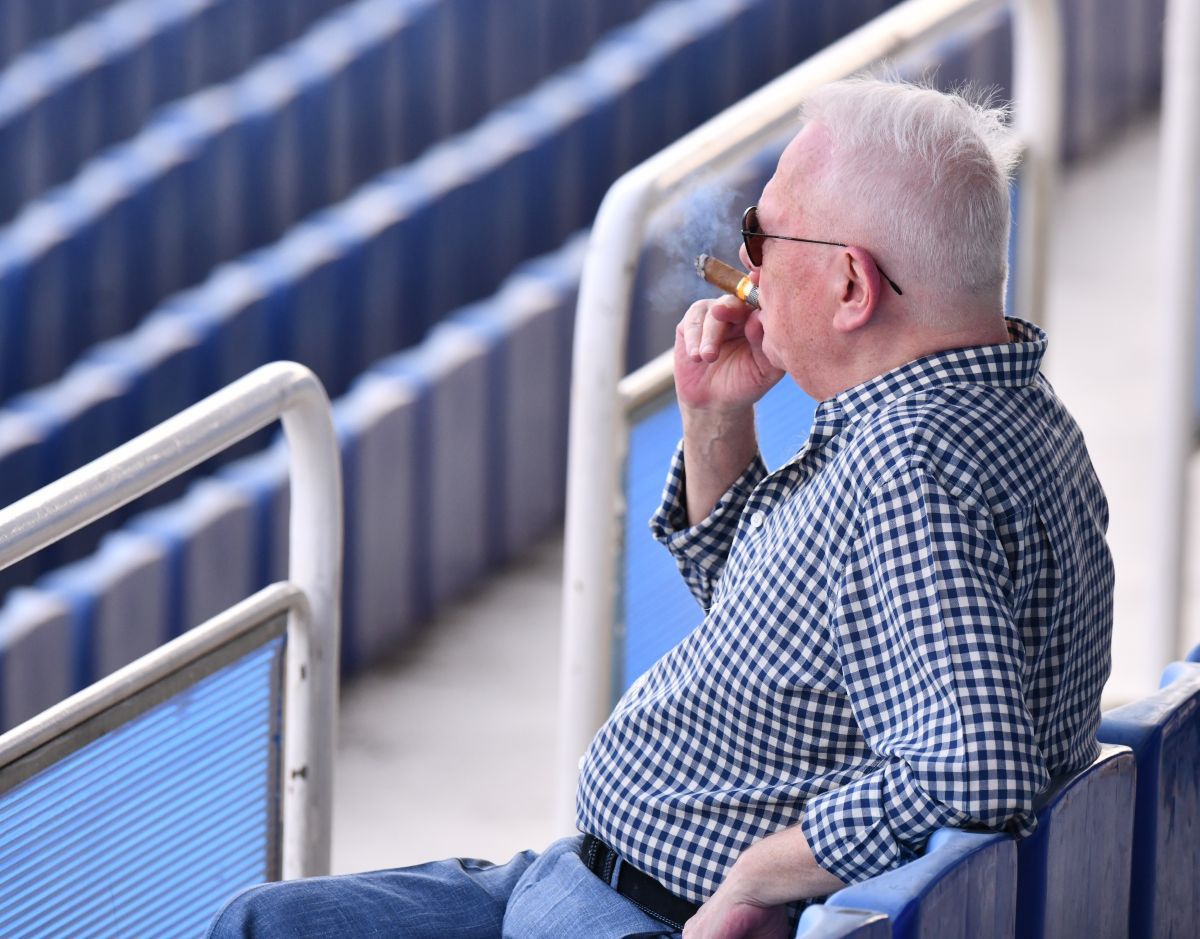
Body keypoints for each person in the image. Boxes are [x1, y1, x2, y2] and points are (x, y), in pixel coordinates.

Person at [208, 77, 1114, 939]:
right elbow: (802, 636)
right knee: (265, 922)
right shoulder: (1014, 420)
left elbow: (979, 768)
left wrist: (761, 874)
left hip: (648, 909)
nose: (746, 266)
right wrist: (717, 419)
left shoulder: (906, 466)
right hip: (583, 878)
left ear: (850, 287)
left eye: (766, 235)